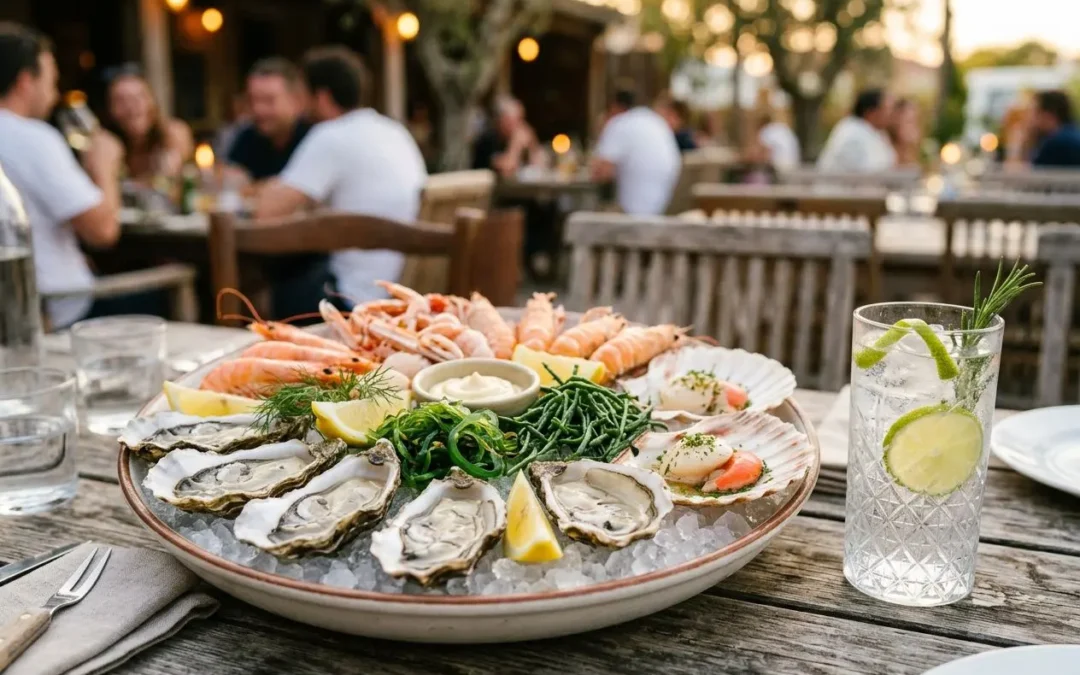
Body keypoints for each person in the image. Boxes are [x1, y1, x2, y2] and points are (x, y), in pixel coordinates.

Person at [0, 22, 164, 328]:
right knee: (163, 296)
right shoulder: (33, 137)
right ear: (25, 82)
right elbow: (103, 232)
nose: (55, 92)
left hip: (19, 308)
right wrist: (104, 167)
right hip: (61, 310)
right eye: (51, 80)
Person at [254, 46, 427, 305]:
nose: (299, 105)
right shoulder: (393, 131)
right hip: (401, 286)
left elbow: (265, 213)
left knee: (281, 288)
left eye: (301, 94)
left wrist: (265, 188)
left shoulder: (330, 135)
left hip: (357, 294)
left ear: (321, 96)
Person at [591, 88, 681, 215]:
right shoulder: (654, 121)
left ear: (614, 107)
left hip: (632, 214)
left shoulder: (619, 122)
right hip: (660, 210)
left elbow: (600, 173)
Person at [103, 64, 192, 184]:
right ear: (110, 109)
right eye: (121, 100)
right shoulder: (107, 145)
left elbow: (182, 181)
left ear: (152, 101)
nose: (131, 107)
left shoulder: (172, 133)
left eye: (139, 97)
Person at [226, 58, 311, 182]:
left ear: (296, 100)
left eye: (268, 100)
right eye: (251, 100)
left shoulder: (314, 138)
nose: (258, 109)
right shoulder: (248, 136)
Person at [817, 88, 896, 172]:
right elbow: (867, 174)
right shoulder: (851, 135)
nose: (892, 114)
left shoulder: (876, 133)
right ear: (871, 112)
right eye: (888, 109)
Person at [471, 96, 542, 177]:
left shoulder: (512, 137)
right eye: (516, 120)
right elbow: (506, 170)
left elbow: (539, 165)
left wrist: (532, 142)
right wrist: (515, 146)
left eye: (521, 119)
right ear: (502, 120)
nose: (520, 125)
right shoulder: (488, 139)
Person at [1029, 90, 1080, 168]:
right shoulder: (1072, 134)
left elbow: (1024, 176)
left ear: (1049, 114)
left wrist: (1016, 144)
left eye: (1035, 112)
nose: (1031, 118)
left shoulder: (1056, 143)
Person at [889, 98, 922, 167]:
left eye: (916, 122)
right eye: (909, 122)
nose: (914, 128)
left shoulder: (913, 152)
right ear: (894, 120)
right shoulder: (885, 151)